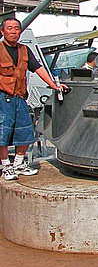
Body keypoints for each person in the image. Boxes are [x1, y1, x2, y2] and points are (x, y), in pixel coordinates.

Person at [0, 18, 67, 181]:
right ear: (2, 32)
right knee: (2, 132)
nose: (13, 31)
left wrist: (53, 84)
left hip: (20, 97)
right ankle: (5, 165)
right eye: (9, 28)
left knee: (26, 131)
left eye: (16, 28)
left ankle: (18, 163)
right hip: (2, 96)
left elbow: (38, 68)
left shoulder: (25, 50)